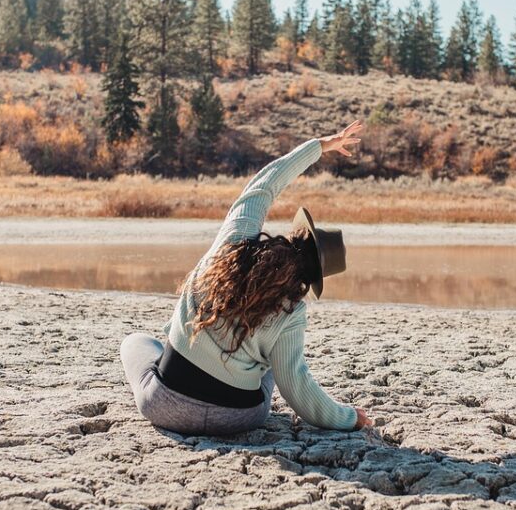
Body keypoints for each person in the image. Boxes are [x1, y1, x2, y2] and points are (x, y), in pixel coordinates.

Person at [120, 120, 373, 436]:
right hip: (237, 418)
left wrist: (320, 146)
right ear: (312, 279)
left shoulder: (232, 244)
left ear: (293, 237)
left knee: (136, 342)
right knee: (273, 363)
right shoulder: (291, 311)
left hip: (164, 405)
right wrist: (349, 418)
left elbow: (263, 186)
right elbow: (296, 386)